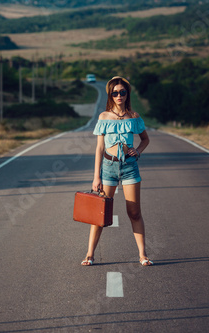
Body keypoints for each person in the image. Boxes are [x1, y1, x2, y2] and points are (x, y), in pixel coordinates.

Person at [81, 76, 153, 266]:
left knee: (134, 212)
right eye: (115, 93)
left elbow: (145, 139)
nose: (119, 95)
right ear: (110, 95)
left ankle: (143, 255)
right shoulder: (104, 117)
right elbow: (99, 148)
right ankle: (90, 255)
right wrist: (96, 176)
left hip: (130, 166)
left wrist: (137, 151)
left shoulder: (134, 117)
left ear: (127, 93)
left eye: (122, 92)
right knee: (100, 212)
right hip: (108, 167)